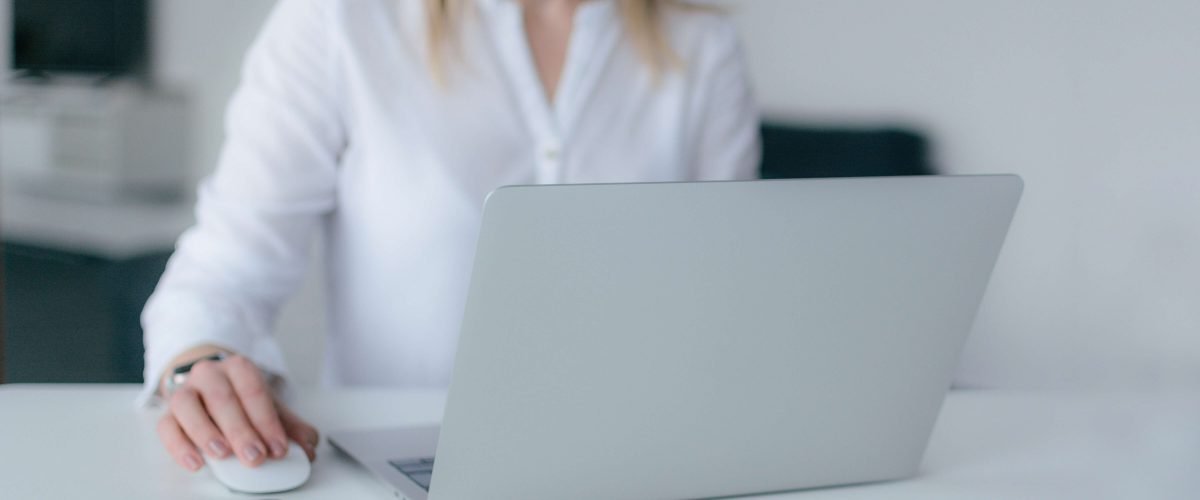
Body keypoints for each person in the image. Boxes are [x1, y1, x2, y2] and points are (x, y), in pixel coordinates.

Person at [142, 0, 760, 473]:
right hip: (400, 467)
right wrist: (197, 363)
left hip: (638, 463)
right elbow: (224, 272)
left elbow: (726, 303)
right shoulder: (343, 21)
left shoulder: (703, 47)